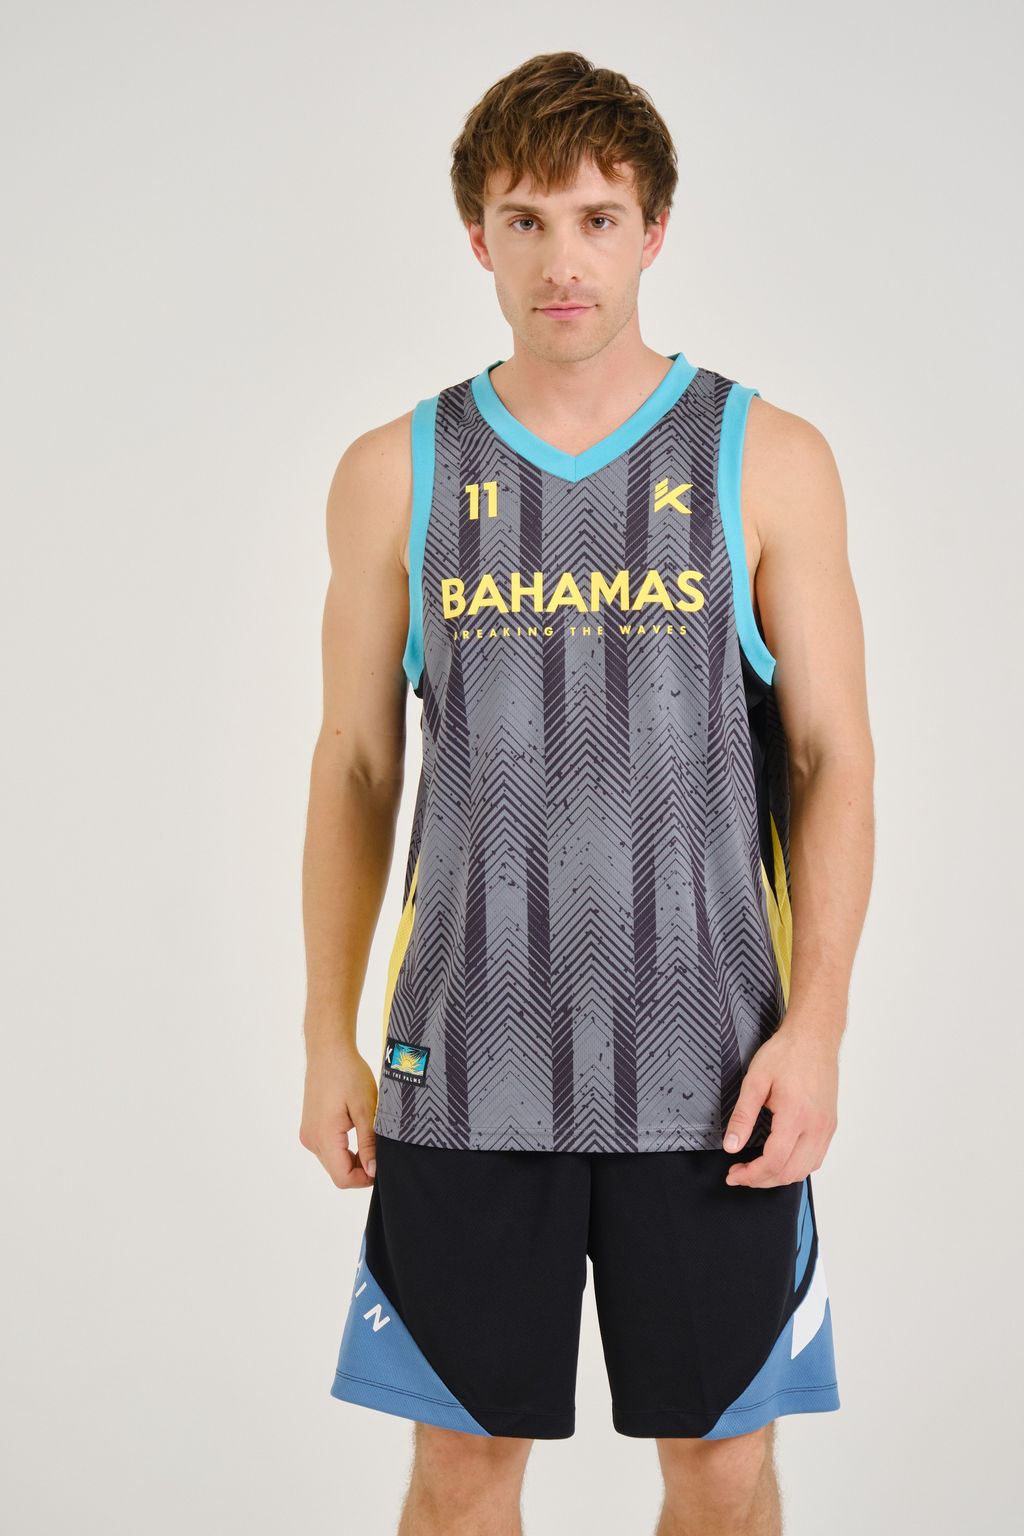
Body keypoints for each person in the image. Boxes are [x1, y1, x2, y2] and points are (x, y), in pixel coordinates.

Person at [299, 49, 874, 1536]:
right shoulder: (396, 472)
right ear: (478, 238)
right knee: (460, 1475)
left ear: (654, 230)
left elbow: (834, 758)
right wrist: (323, 1033)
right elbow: (356, 764)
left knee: (724, 1472)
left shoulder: (767, 459)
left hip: (716, 1071)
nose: (564, 261)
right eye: (528, 220)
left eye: (599, 219)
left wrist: (817, 1031)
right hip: (462, 1068)